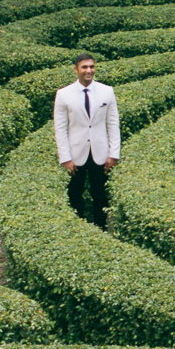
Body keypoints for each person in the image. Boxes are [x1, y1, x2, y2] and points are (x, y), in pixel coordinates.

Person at [53, 53, 120, 227]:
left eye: (91, 66)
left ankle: (101, 228)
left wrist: (114, 154)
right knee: (75, 194)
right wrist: (65, 158)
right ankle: (78, 229)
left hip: (101, 152)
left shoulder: (107, 91)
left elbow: (113, 124)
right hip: (75, 154)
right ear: (76, 69)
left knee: (100, 194)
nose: (89, 70)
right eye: (84, 67)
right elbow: (60, 129)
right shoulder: (63, 94)